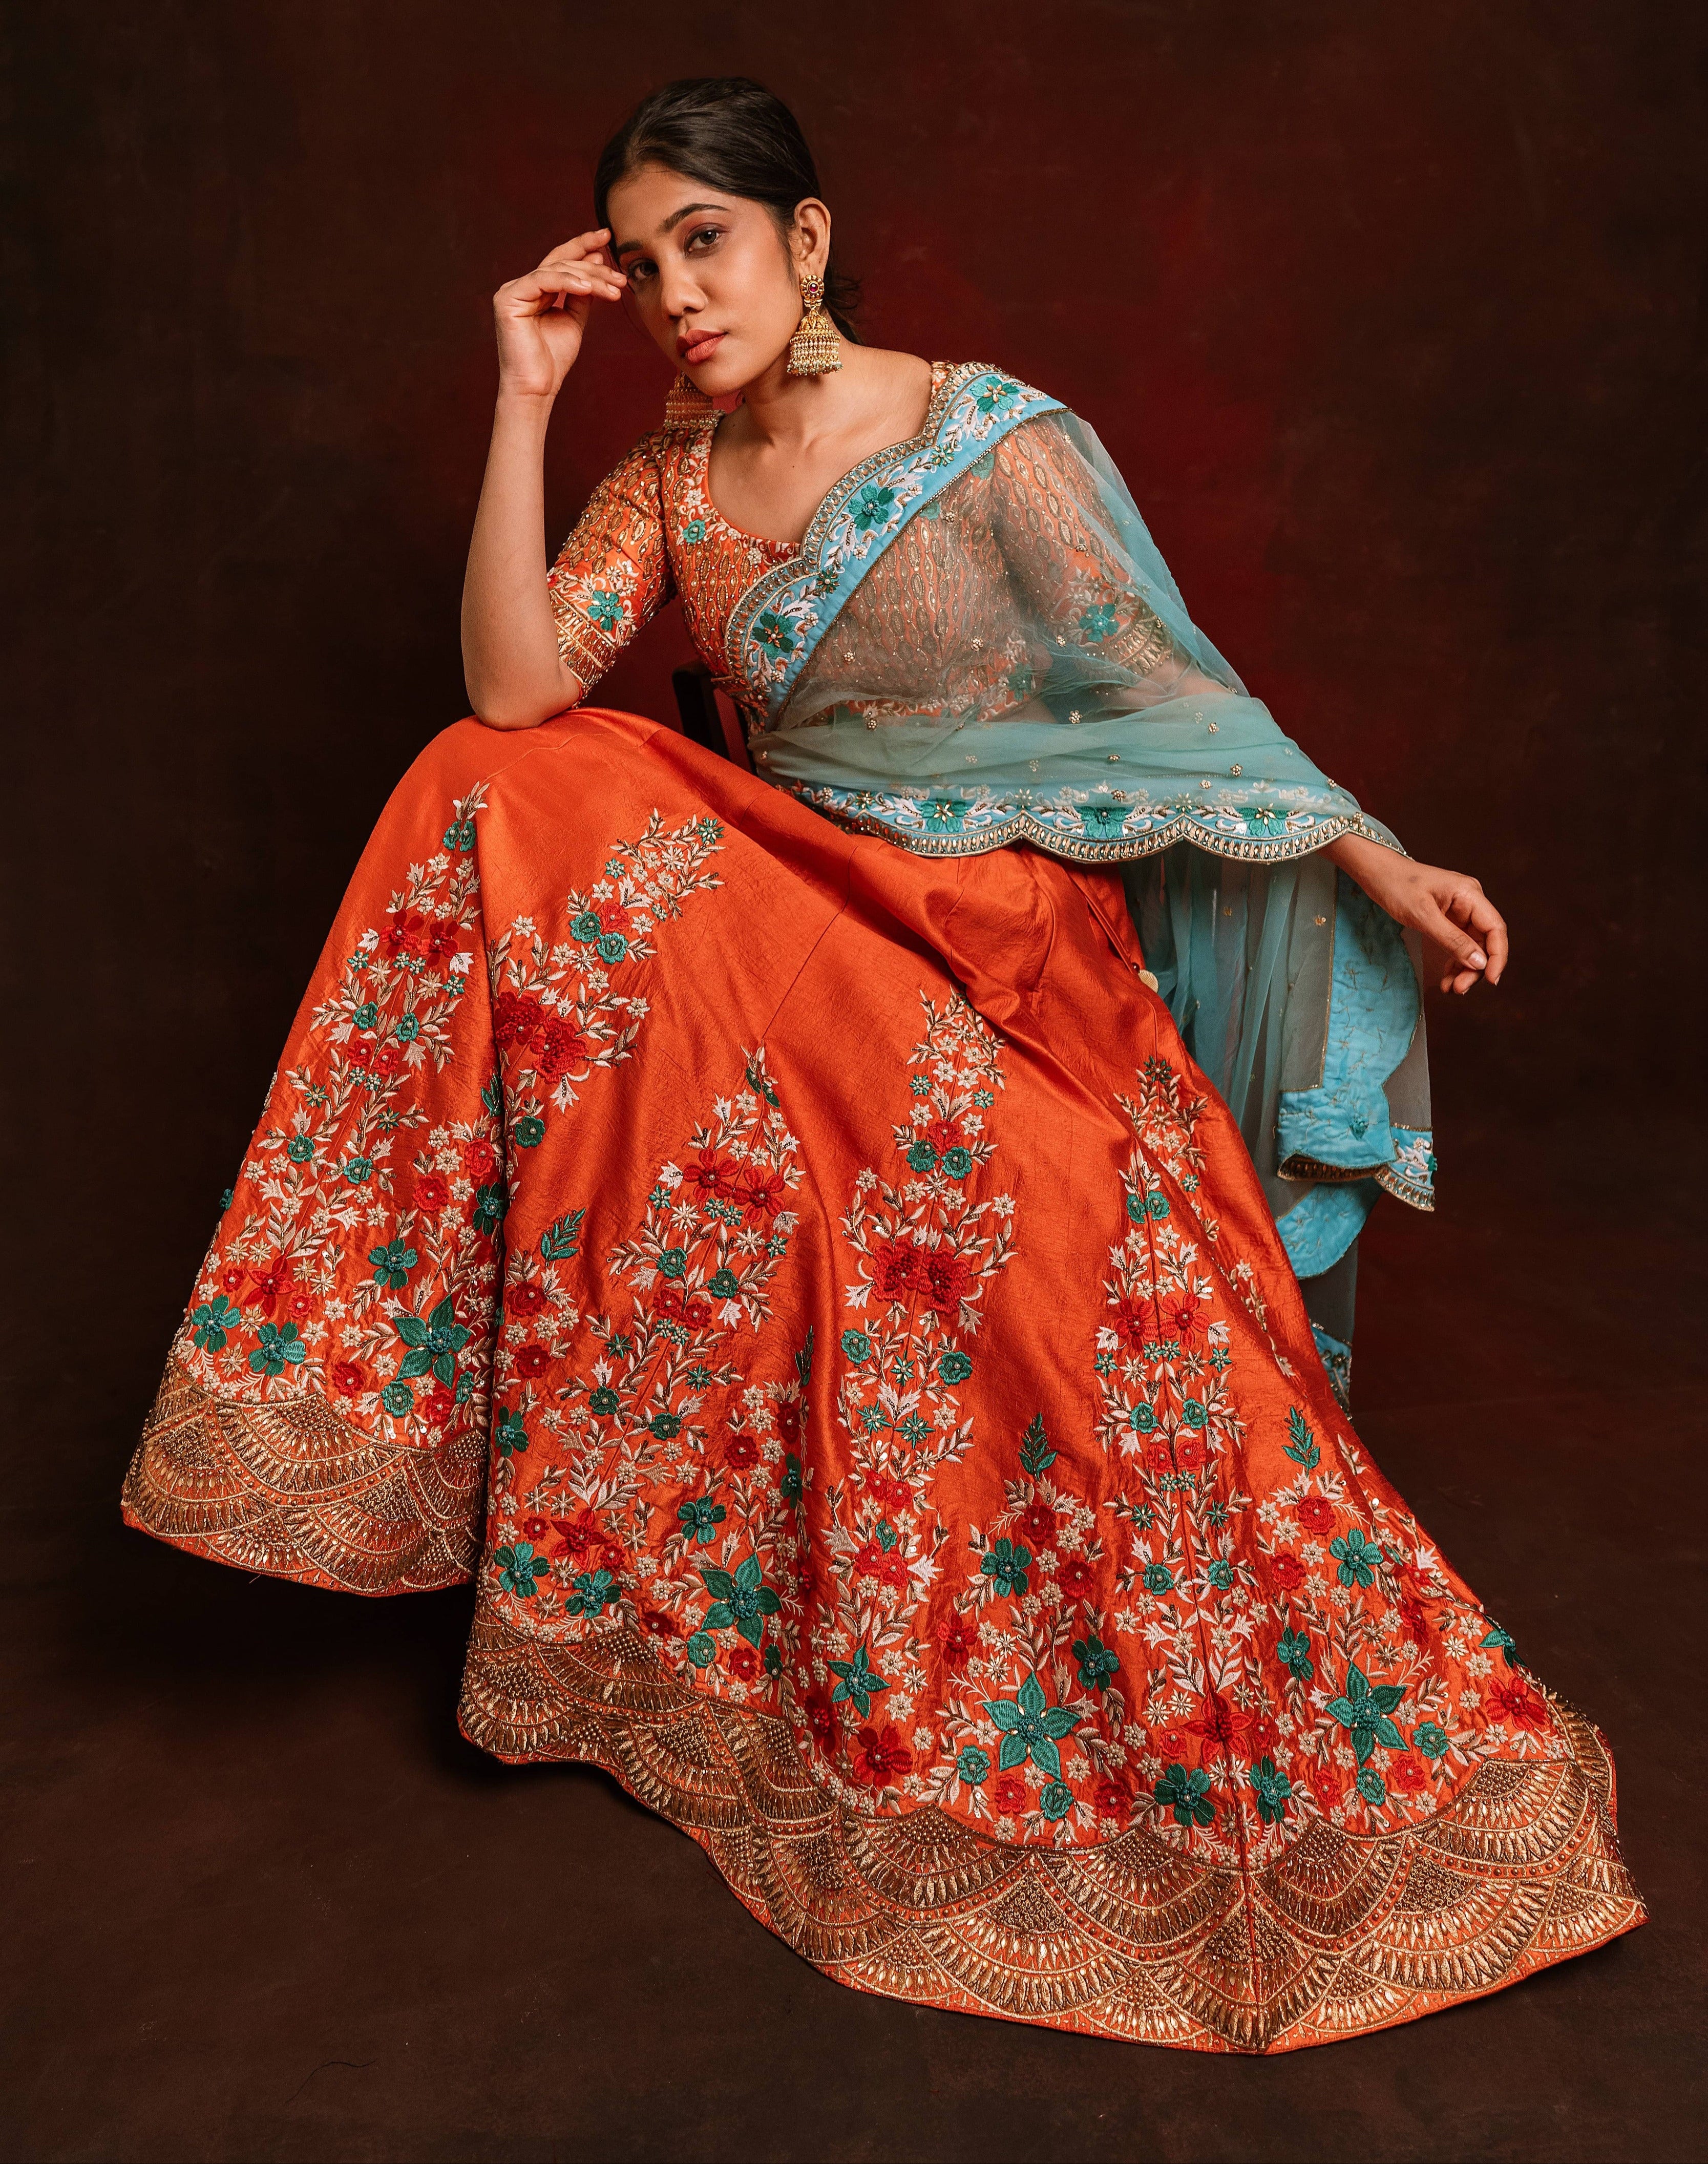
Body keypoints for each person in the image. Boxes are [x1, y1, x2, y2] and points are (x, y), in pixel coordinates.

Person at [123, 77, 1641, 2051]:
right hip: (798, 930)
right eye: (642, 262)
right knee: (494, 781)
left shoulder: (985, 440)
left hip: (998, 943)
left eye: (708, 242)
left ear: (808, 241)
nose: (678, 295)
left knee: (1091, 1284)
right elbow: (508, 689)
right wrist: (520, 396)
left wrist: (1377, 852)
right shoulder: (667, 482)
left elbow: (1177, 702)